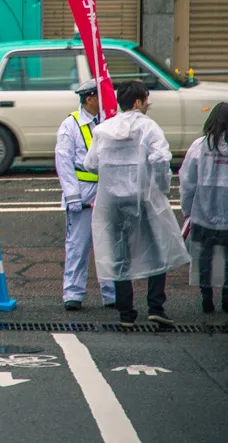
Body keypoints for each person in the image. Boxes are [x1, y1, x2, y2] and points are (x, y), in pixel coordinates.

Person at [83, 80, 190, 327]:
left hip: (112, 201)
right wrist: (161, 187)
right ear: (139, 102)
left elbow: (90, 164)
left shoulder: (104, 129)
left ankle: (126, 313)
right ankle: (155, 306)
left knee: (118, 253)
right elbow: (161, 158)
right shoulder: (148, 127)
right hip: (143, 198)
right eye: (146, 100)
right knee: (157, 248)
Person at [55, 79, 116, 311]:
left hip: (107, 188)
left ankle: (111, 294)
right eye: (102, 96)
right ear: (90, 98)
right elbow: (63, 161)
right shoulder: (70, 125)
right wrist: (72, 196)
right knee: (77, 245)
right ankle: (73, 294)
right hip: (82, 190)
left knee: (108, 244)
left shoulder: (109, 120)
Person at [177, 102, 228, 313]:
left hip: (203, 214)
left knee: (204, 257)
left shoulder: (200, 146)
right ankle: (226, 297)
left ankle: (206, 296)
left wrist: (187, 210)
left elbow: (187, 181)